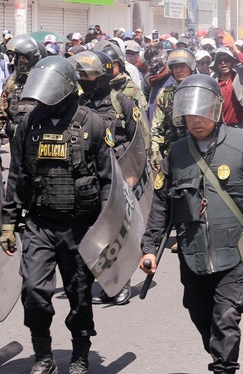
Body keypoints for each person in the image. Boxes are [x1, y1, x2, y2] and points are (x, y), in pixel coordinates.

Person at [140, 74, 243, 374]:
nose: (196, 120)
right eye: (189, 114)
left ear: (215, 109)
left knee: (226, 315)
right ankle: (219, 354)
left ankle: (224, 368)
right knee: (200, 313)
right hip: (192, 253)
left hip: (237, 252)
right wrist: (149, 248)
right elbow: (161, 205)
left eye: (202, 113)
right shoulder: (176, 153)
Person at [1, 56, 113, 374]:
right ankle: (43, 356)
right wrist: (8, 224)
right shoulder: (29, 123)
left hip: (80, 226)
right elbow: (17, 176)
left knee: (79, 295)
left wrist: (106, 229)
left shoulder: (92, 123)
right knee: (33, 291)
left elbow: (108, 182)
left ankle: (79, 356)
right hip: (39, 223)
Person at [72, 50, 141, 306]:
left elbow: (138, 141)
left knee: (114, 231)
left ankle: (120, 281)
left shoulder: (122, 102)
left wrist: (132, 176)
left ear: (102, 76)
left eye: (89, 74)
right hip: (86, 178)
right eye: (81, 74)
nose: (84, 78)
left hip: (115, 177)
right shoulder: (78, 104)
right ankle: (93, 279)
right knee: (89, 230)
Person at [150, 48, 195, 170]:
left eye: (182, 66)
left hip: (198, 149)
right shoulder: (165, 93)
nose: (178, 70)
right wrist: (154, 150)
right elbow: (157, 125)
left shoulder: (200, 90)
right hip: (173, 151)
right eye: (175, 67)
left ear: (191, 67)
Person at [0, 34, 47, 139]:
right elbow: (2, 108)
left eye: (23, 58)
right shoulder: (11, 82)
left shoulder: (45, 82)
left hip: (38, 138)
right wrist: (6, 127)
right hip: (15, 137)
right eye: (17, 57)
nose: (18, 62)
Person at [212, 46, 243, 128]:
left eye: (226, 60)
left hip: (241, 125)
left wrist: (236, 51)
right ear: (216, 65)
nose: (223, 63)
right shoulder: (213, 81)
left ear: (232, 62)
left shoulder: (240, 75)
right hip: (221, 127)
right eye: (219, 61)